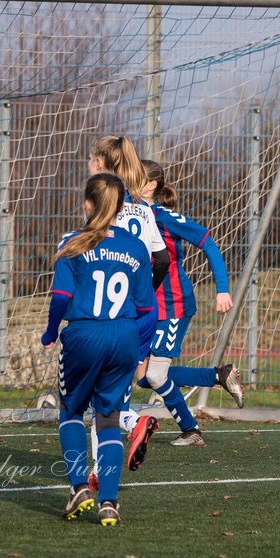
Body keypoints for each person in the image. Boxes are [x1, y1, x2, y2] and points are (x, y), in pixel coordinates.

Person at [42, 172, 157, 526]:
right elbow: (147, 309)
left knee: (71, 411)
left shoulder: (73, 244)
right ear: (121, 207)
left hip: (84, 336)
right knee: (107, 419)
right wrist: (138, 350)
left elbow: (61, 297)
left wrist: (50, 333)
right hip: (123, 336)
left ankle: (79, 486)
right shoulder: (136, 248)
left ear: (88, 204)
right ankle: (109, 502)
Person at [134, 159, 246, 445]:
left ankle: (191, 430)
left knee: (156, 376)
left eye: (134, 177)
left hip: (173, 304)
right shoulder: (129, 213)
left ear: (151, 185)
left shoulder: (163, 216)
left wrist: (222, 289)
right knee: (143, 376)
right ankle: (218, 376)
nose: (127, 182)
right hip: (145, 306)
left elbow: (208, 242)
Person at [86, 135, 170, 472]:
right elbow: (161, 260)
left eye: (92, 160)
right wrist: (144, 292)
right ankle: (126, 430)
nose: (89, 165)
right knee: (116, 390)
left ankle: (104, 463)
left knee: (99, 398)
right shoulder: (143, 209)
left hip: (113, 312)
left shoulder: (108, 208)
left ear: (103, 165)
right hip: (143, 311)